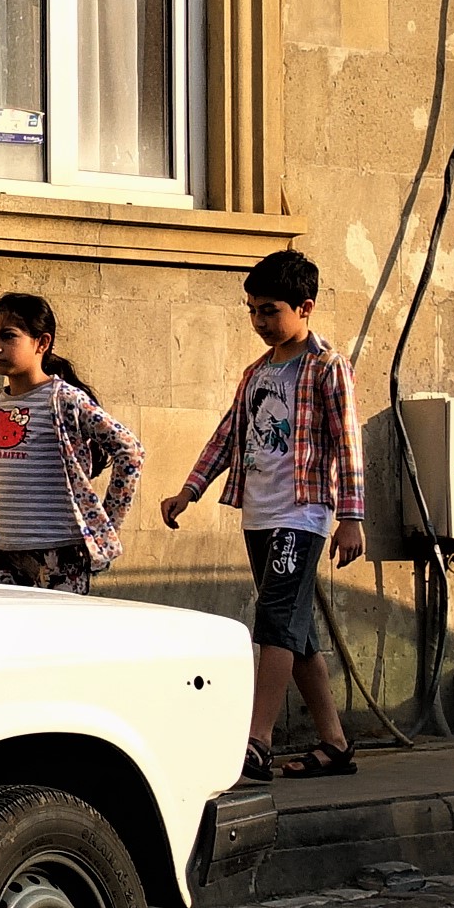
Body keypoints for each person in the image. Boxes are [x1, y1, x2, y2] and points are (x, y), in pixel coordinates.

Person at [161, 249, 367, 783]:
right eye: (252, 310)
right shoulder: (256, 372)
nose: (259, 321)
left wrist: (351, 515)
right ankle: (335, 744)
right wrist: (190, 490)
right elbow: (229, 436)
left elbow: (348, 442)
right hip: (258, 514)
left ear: (305, 307)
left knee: (274, 622)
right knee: (297, 636)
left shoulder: (327, 366)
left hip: (303, 513)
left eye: (270, 310)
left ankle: (258, 740)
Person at [0, 293, 145, 592]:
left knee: (57, 636)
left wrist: (104, 523)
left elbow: (129, 450)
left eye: (8, 336)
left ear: (41, 343)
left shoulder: (64, 399)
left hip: (59, 555)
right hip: (3, 553)